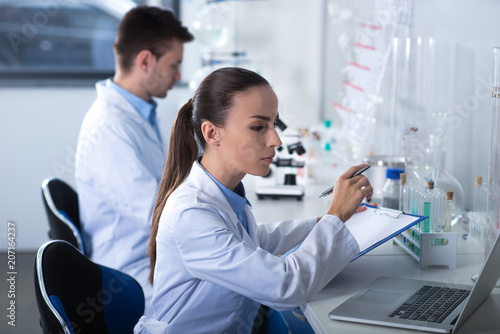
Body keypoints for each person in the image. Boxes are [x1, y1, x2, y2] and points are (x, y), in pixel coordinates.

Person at [134, 67, 373, 334]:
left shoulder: (224, 190)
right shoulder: (190, 213)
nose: (276, 140)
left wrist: (323, 220)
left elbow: (253, 239)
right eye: (259, 127)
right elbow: (286, 287)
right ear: (212, 133)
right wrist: (335, 216)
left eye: (274, 124)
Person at [74, 6, 193, 307]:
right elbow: (158, 215)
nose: (178, 75)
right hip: (132, 276)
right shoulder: (110, 128)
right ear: (145, 61)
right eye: (174, 65)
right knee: (245, 293)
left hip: (153, 256)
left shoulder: (138, 113)